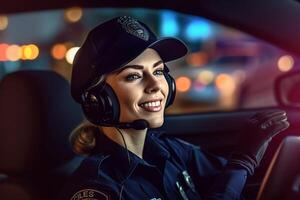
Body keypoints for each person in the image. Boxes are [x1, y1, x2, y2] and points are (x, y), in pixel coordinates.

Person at [59, 16, 289, 200]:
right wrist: (242, 162)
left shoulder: (168, 150)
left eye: (158, 71)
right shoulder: (98, 189)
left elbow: (230, 177)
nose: (155, 85)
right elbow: (236, 170)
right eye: (134, 76)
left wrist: (253, 156)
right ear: (98, 99)